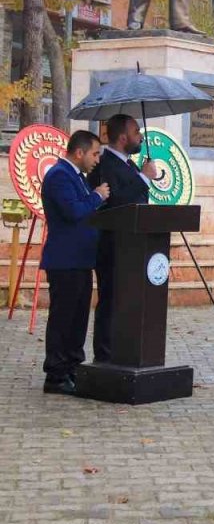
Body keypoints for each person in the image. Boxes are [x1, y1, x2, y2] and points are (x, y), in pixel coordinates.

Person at [40, 130, 110, 395]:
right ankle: (56, 375)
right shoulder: (59, 175)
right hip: (65, 260)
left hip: (80, 259)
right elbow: (74, 212)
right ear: (79, 152)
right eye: (94, 153)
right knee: (63, 319)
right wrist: (97, 196)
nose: (97, 159)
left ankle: (72, 368)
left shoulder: (77, 177)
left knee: (78, 318)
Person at [87, 114, 156, 365]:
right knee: (111, 299)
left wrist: (145, 177)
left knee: (127, 300)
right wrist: (144, 178)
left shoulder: (129, 164)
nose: (141, 137)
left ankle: (124, 350)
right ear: (123, 137)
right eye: (137, 132)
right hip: (113, 245)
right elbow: (114, 202)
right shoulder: (105, 165)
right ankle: (105, 355)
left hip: (135, 245)